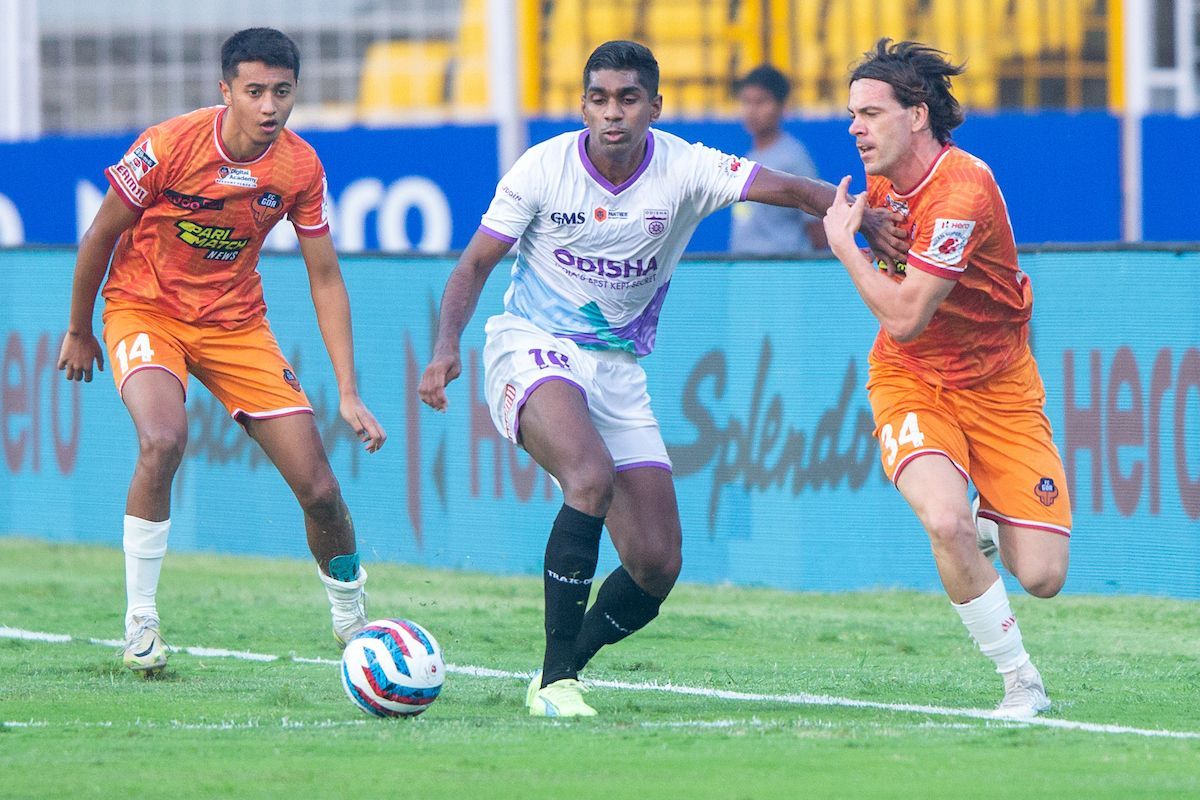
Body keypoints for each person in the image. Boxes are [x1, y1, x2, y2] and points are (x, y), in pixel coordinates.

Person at [419, 40, 906, 717]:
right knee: (588, 479)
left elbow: (795, 190)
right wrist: (446, 348)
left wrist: (861, 221)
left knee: (656, 564)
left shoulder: (687, 167)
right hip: (532, 344)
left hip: (616, 369)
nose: (611, 114)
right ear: (583, 104)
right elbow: (473, 266)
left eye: (626, 99)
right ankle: (559, 683)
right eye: (598, 98)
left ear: (654, 105)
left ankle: (557, 669)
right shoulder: (542, 168)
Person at [56, 27, 386, 677]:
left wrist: (348, 390)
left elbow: (325, 277)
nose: (270, 106)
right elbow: (100, 235)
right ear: (226, 90)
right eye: (255, 91)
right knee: (163, 439)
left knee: (319, 488)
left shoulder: (299, 167)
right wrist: (78, 328)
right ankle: (141, 624)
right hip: (144, 309)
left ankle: (351, 617)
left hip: (235, 327)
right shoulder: (167, 147)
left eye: (282, 92)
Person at [822, 39, 1071, 718]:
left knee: (1044, 577)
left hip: (999, 386)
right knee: (944, 520)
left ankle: (987, 523)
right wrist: (855, 226)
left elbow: (904, 314)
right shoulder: (876, 186)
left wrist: (846, 246)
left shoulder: (962, 189)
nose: (854, 127)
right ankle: (1022, 682)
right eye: (852, 114)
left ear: (919, 114)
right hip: (911, 380)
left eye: (870, 113)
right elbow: (902, 340)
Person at [729, 65, 827, 254]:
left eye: (761, 102)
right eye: (746, 101)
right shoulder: (749, 158)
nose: (751, 110)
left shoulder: (793, 158)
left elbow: (817, 230)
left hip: (782, 274)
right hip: (745, 272)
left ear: (781, 106)